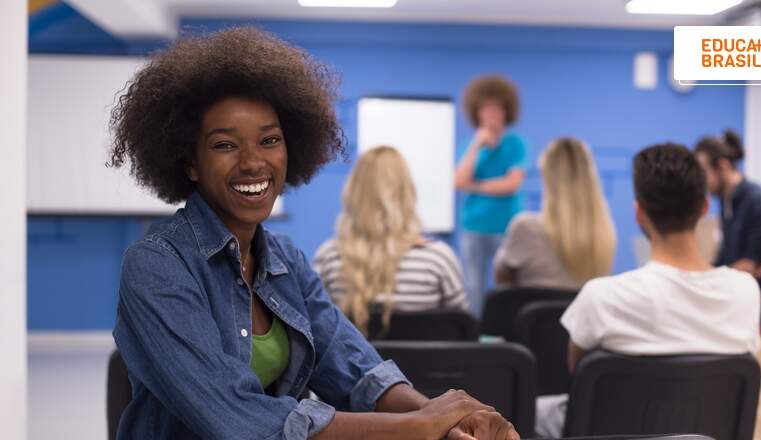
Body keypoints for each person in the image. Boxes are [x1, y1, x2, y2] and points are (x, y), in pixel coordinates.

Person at [108, 27, 518, 440]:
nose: (253, 163)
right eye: (225, 145)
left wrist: (445, 419)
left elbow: (357, 371)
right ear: (190, 162)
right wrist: (419, 425)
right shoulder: (156, 265)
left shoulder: (285, 261)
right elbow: (235, 417)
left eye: (269, 140)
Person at [535, 143, 761, 438]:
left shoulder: (602, 297)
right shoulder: (746, 292)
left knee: (535, 411)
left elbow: (579, 380)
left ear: (638, 213)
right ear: (704, 207)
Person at [313, 146, 469, 336]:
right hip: (425, 367)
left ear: (354, 192)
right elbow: (463, 333)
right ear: (408, 193)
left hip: (355, 367)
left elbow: (316, 332)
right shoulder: (439, 260)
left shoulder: (329, 258)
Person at [695, 130, 761, 324]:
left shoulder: (759, 202)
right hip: (739, 295)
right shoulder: (726, 202)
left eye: (704, 173)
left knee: (701, 315)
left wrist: (707, 283)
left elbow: (751, 267)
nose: (702, 182)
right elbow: (725, 260)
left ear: (722, 166)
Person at [493, 137, 616, 290]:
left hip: (533, 313)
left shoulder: (525, 227)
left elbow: (501, 277)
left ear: (547, 176)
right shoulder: (604, 233)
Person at [454, 74, 528, 315]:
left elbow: (512, 184)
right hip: (474, 227)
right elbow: (459, 180)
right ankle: (475, 334)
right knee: (472, 286)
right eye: (485, 109)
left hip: (507, 227)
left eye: (496, 109)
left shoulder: (516, 143)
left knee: (506, 287)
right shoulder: (469, 144)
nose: (491, 115)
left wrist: (476, 186)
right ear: (477, 112)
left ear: (507, 111)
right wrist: (477, 145)